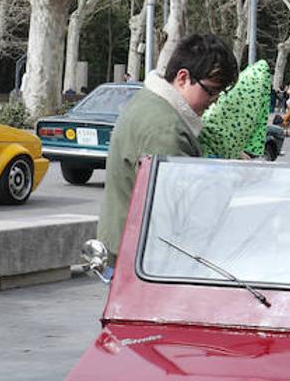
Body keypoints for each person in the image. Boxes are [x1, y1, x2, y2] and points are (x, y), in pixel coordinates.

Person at [98, 34, 239, 258]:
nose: (213, 101)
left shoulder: (148, 102)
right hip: (144, 258)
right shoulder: (166, 129)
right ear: (182, 78)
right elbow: (175, 211)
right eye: (211, 91)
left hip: (125, 246)